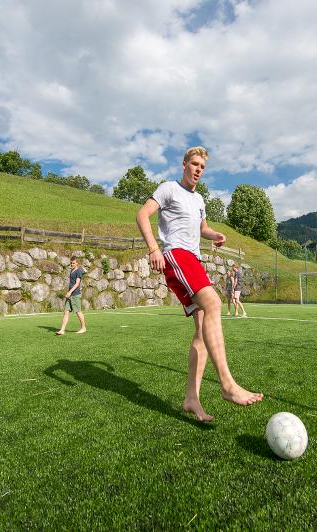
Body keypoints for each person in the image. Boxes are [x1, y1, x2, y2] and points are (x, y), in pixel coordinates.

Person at [136, 146, 263, 421]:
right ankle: (227, 385)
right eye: (194, 164)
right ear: (184, 164)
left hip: (193, 259)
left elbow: (202, 228)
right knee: (214, 303)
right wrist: (154, 249)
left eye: (202, 167)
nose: (198, 170)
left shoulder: (200, 199)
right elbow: (142, 214)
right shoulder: (168, 188)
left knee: (202, 330)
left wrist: (214, 234)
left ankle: (191, 399)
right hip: (176, 255)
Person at [56, 257, 86, 335]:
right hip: (70, 295)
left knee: (78, 312)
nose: (72, 264)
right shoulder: (71, 271)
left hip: (75, 295)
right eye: (71, 263)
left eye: (73, 263)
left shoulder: (78, 271)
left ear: (77, 263)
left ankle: (83, 328)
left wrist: (70, 292)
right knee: (66, 311)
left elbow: (77, 283)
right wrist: (68, 293)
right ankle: (62, 330)